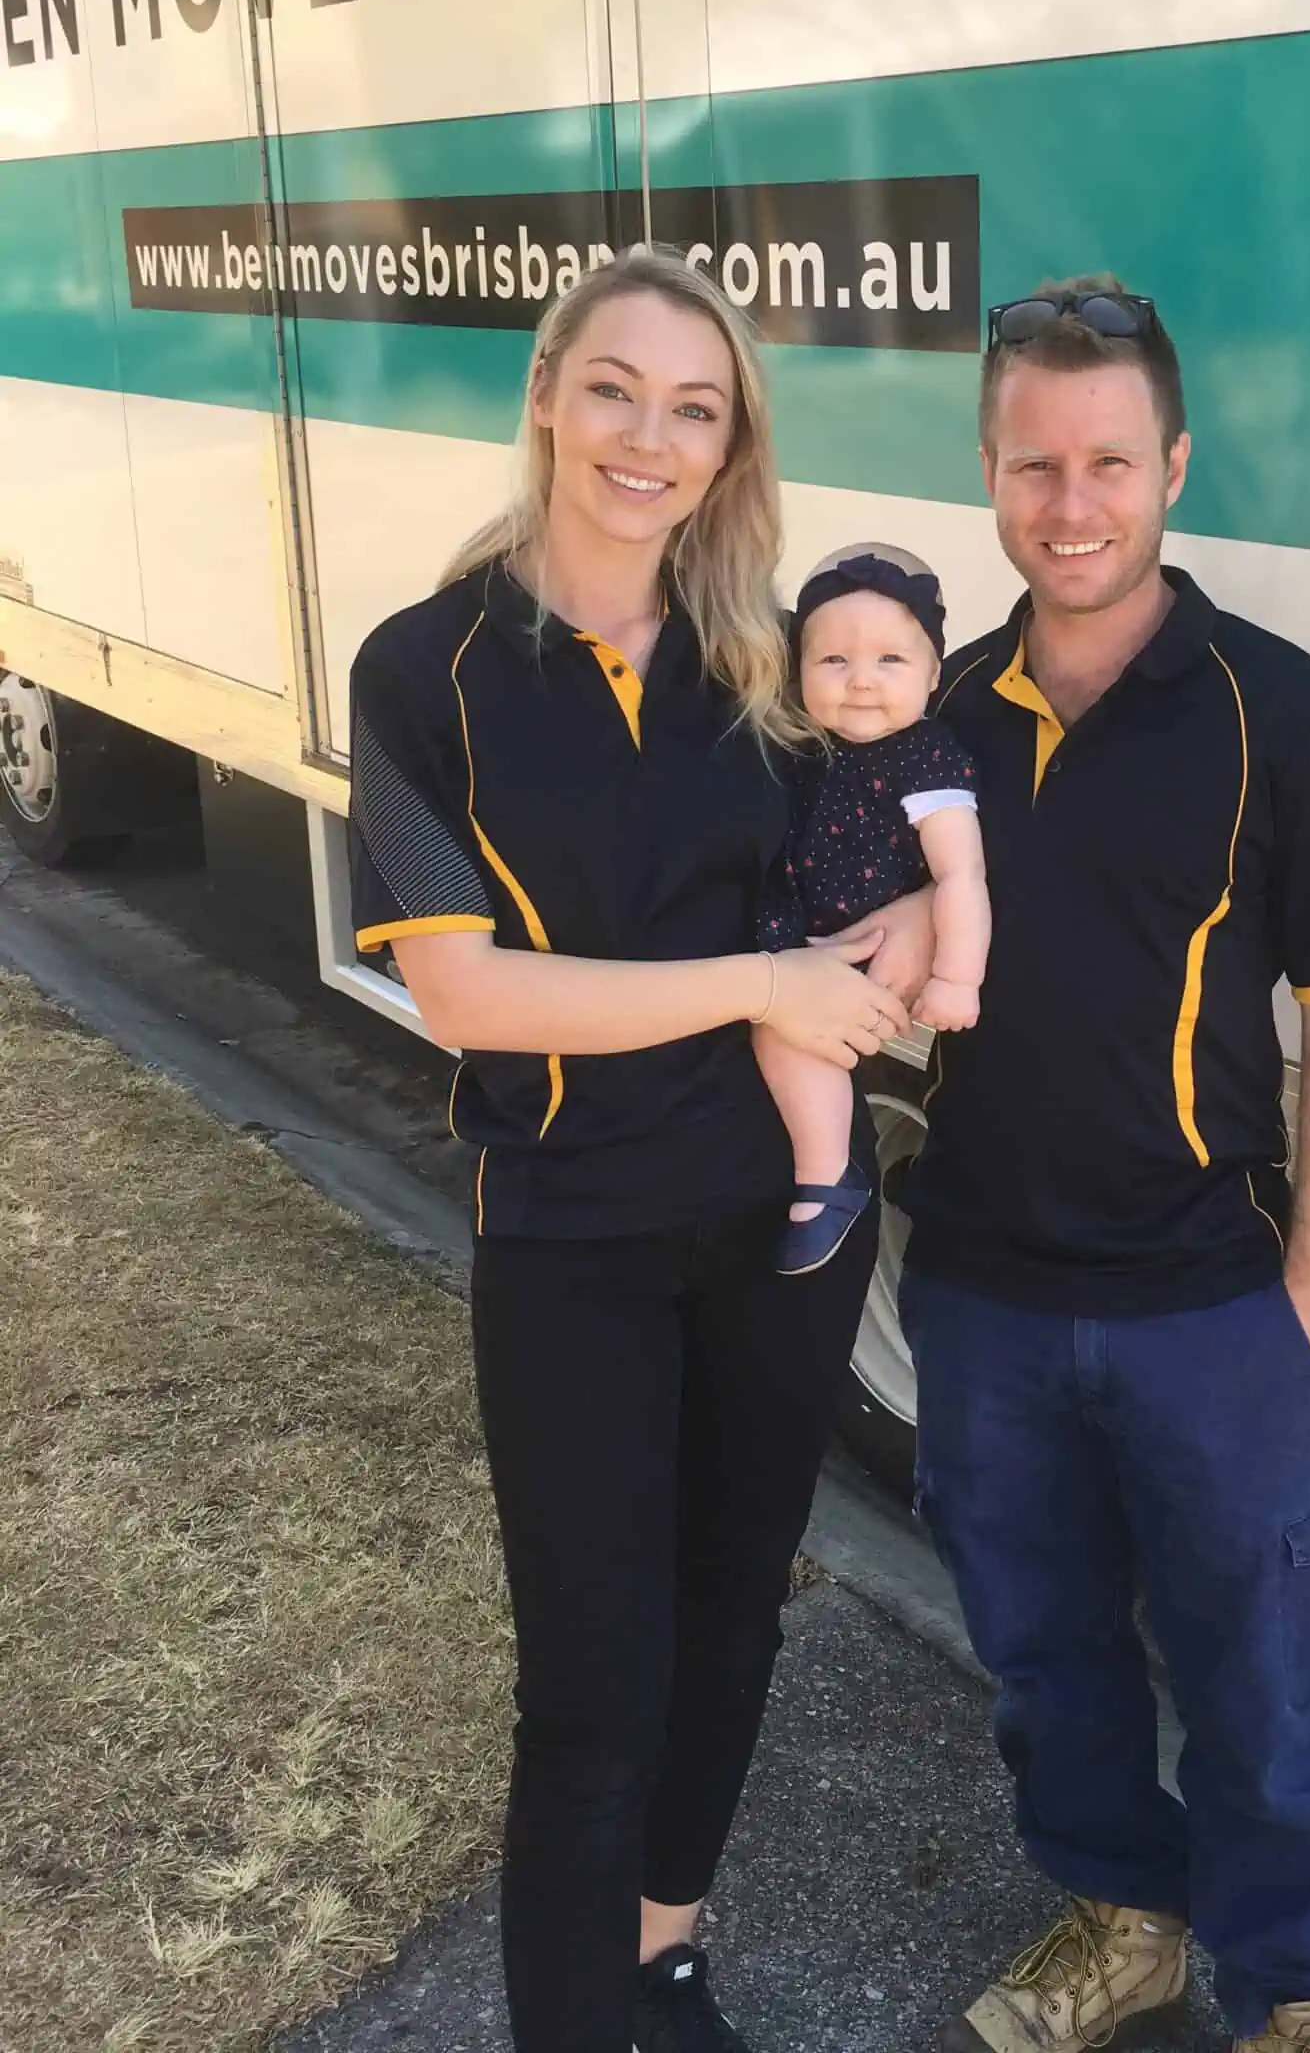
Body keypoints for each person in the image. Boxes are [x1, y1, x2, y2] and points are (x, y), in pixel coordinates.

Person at [345, 248, 918, 2053]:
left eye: (694, 408)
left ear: (729, 441)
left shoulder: (766, 661)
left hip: (781, 1230)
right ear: (546, 394)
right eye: (614, 390)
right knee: (593, 1693)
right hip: (577, 1236)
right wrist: (758, 974)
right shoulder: (425, 671)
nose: (647, 440)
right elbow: (463, 993)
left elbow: (903, 850)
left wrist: (889, 961)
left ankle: (662, 1955)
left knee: (733, 1625)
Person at [902, 280, 1310, 2053]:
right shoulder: (935, 723)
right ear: (988, 471)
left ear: (1174, 466)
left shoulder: (1282, 712)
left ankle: (1297, 1989)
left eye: (1110, 460)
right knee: (1047, 1666)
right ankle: (1125, 1922)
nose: (1072, 504)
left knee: (1261, 1694)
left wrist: (1305, 1304)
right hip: (980, 1297)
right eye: (1034, 464)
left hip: (1211, 1305)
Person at [753, 543, 990, 1273]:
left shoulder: (928, 758)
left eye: (891, 660)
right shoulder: (799, 741)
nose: (860, 682)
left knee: (797, 1040)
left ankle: (828, 1174)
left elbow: (961, 877)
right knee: (772, 1023)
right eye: (833, 662)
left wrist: (957, 978)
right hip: (795, 932)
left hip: (867, 943)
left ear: (933, 673)